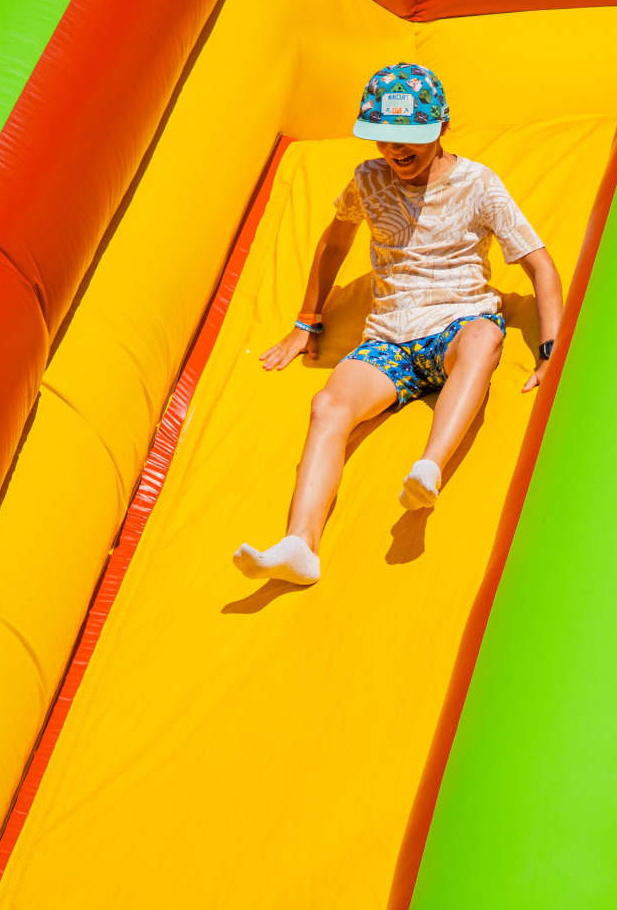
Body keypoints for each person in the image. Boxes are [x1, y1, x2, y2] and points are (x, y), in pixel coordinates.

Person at [232, 63, 563, 584]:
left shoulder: (479, 185)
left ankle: (429, 466)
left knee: (484, 336)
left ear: (441, 127)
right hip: (390, 338)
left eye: (408, 137)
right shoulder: (368, 179)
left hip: (457, 322)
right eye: (383, 137)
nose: (395, 149)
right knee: (327, 405)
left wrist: (551, 351)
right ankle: (300, 545)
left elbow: (540, 265)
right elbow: (334, 242)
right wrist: (306, 322)